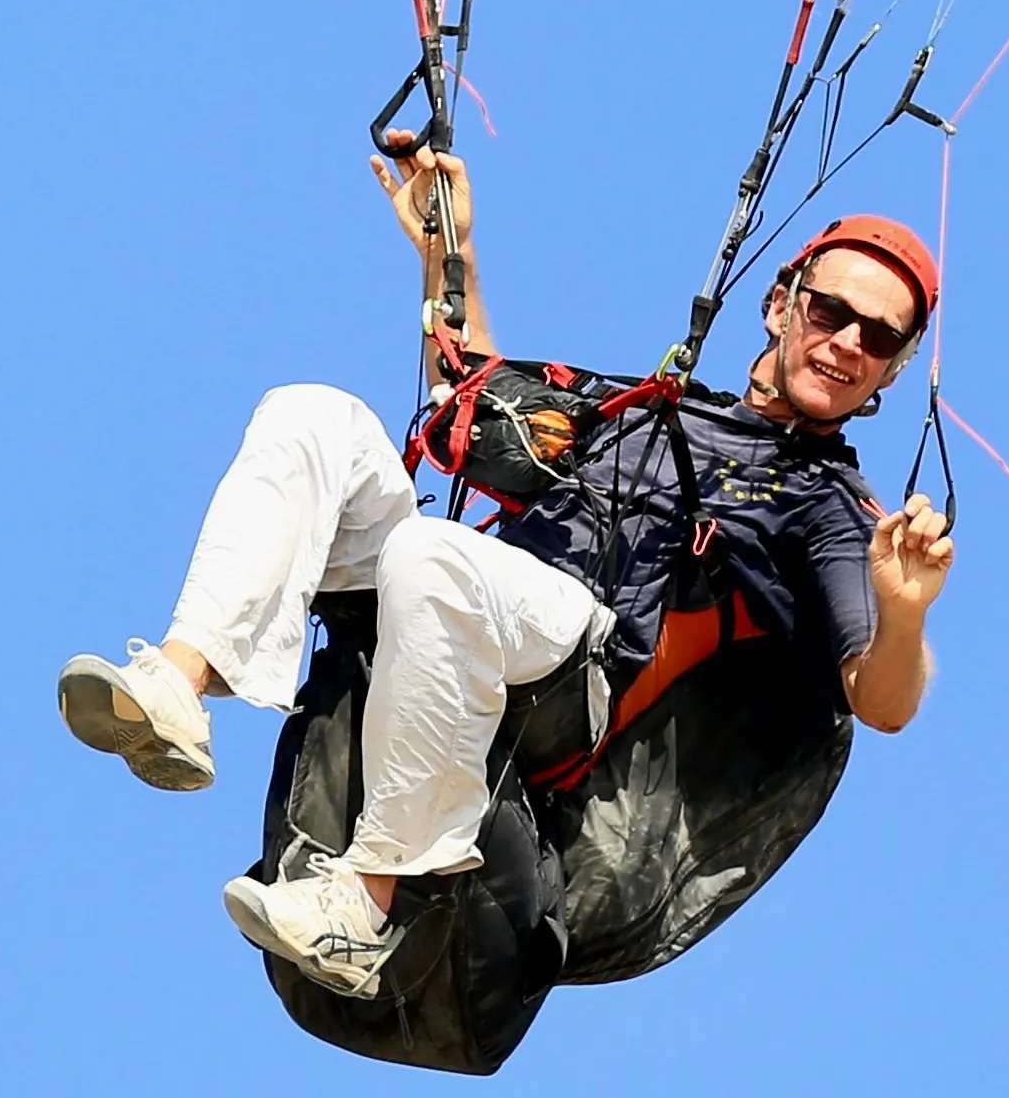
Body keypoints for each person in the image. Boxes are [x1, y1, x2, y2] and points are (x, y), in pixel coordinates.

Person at [57, 132, 957, 998]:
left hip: (578, 680)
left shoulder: (827, 505)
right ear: (781, 304)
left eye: (877, 338)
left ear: (889, 372)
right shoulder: (651, 412)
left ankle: (367, 907)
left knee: (431, 552)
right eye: (830, 311)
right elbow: (479, 405)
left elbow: (879, 701)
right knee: (312, 415)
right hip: (457, 619)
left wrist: (902, 607)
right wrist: (449, 253)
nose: (845, 343)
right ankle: (182, 685)